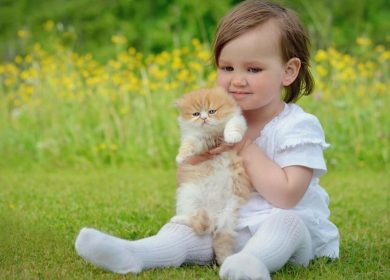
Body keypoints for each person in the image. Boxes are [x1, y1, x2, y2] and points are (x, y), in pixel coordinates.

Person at [74, 0, 339, 279]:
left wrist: (245, 148)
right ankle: (137, 253)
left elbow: (287, 195)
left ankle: (252, 263)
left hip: (288, 239)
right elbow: (187, 182)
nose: (237, 80)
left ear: (288, 71)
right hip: (227, 227)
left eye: (253, 70)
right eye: (227, 68)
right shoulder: (217, 122)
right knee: (186, 227)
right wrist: (197, 159)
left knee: (286, 223)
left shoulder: (297, 126)